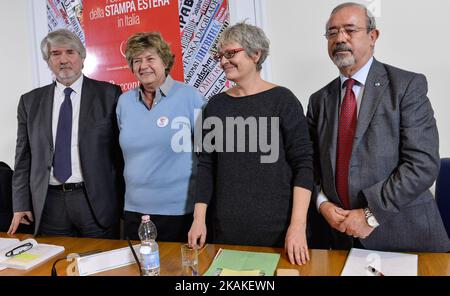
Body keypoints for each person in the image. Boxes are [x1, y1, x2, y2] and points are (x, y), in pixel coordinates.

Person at [307, 2, 450, 252]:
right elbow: (310, 164)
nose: (340, 38)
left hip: (405, 238)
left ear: (373, 36)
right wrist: (322, 203)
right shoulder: (318, 100)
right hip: (339, 239)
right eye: (332, 32)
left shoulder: (407, 87)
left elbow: (423, 163)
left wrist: (370, 215)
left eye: (350, 30)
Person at [188, 22, 314, 265]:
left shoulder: (283, 100)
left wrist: (298, 226)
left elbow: (304, 165)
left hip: (280, 233)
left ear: (256, 54)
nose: (223, 61)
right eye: (220, 55)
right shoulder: (215, 106)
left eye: (230, 53)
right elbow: (206, 165)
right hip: (227, 230)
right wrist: (199, 218)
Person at [8, 29, 124, 238]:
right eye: (55, 54)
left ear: (82, 57)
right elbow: (23, 159)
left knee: (101, 266)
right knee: (54, 265)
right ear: (48, 61)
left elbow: (120, 155)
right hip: (49, 204)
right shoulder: (29, 101)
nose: (64, 60)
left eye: (70, 52)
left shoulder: (110, 95)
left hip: (96, 202)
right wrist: (20, 204)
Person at [116, 32, 205, 242]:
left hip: (180, 212)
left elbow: (207, 156)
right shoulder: (124, 102)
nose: (143, 65)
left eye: (150, 58)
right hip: (134, 212)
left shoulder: (190, 96)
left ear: (165, 61)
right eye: (137, 60)